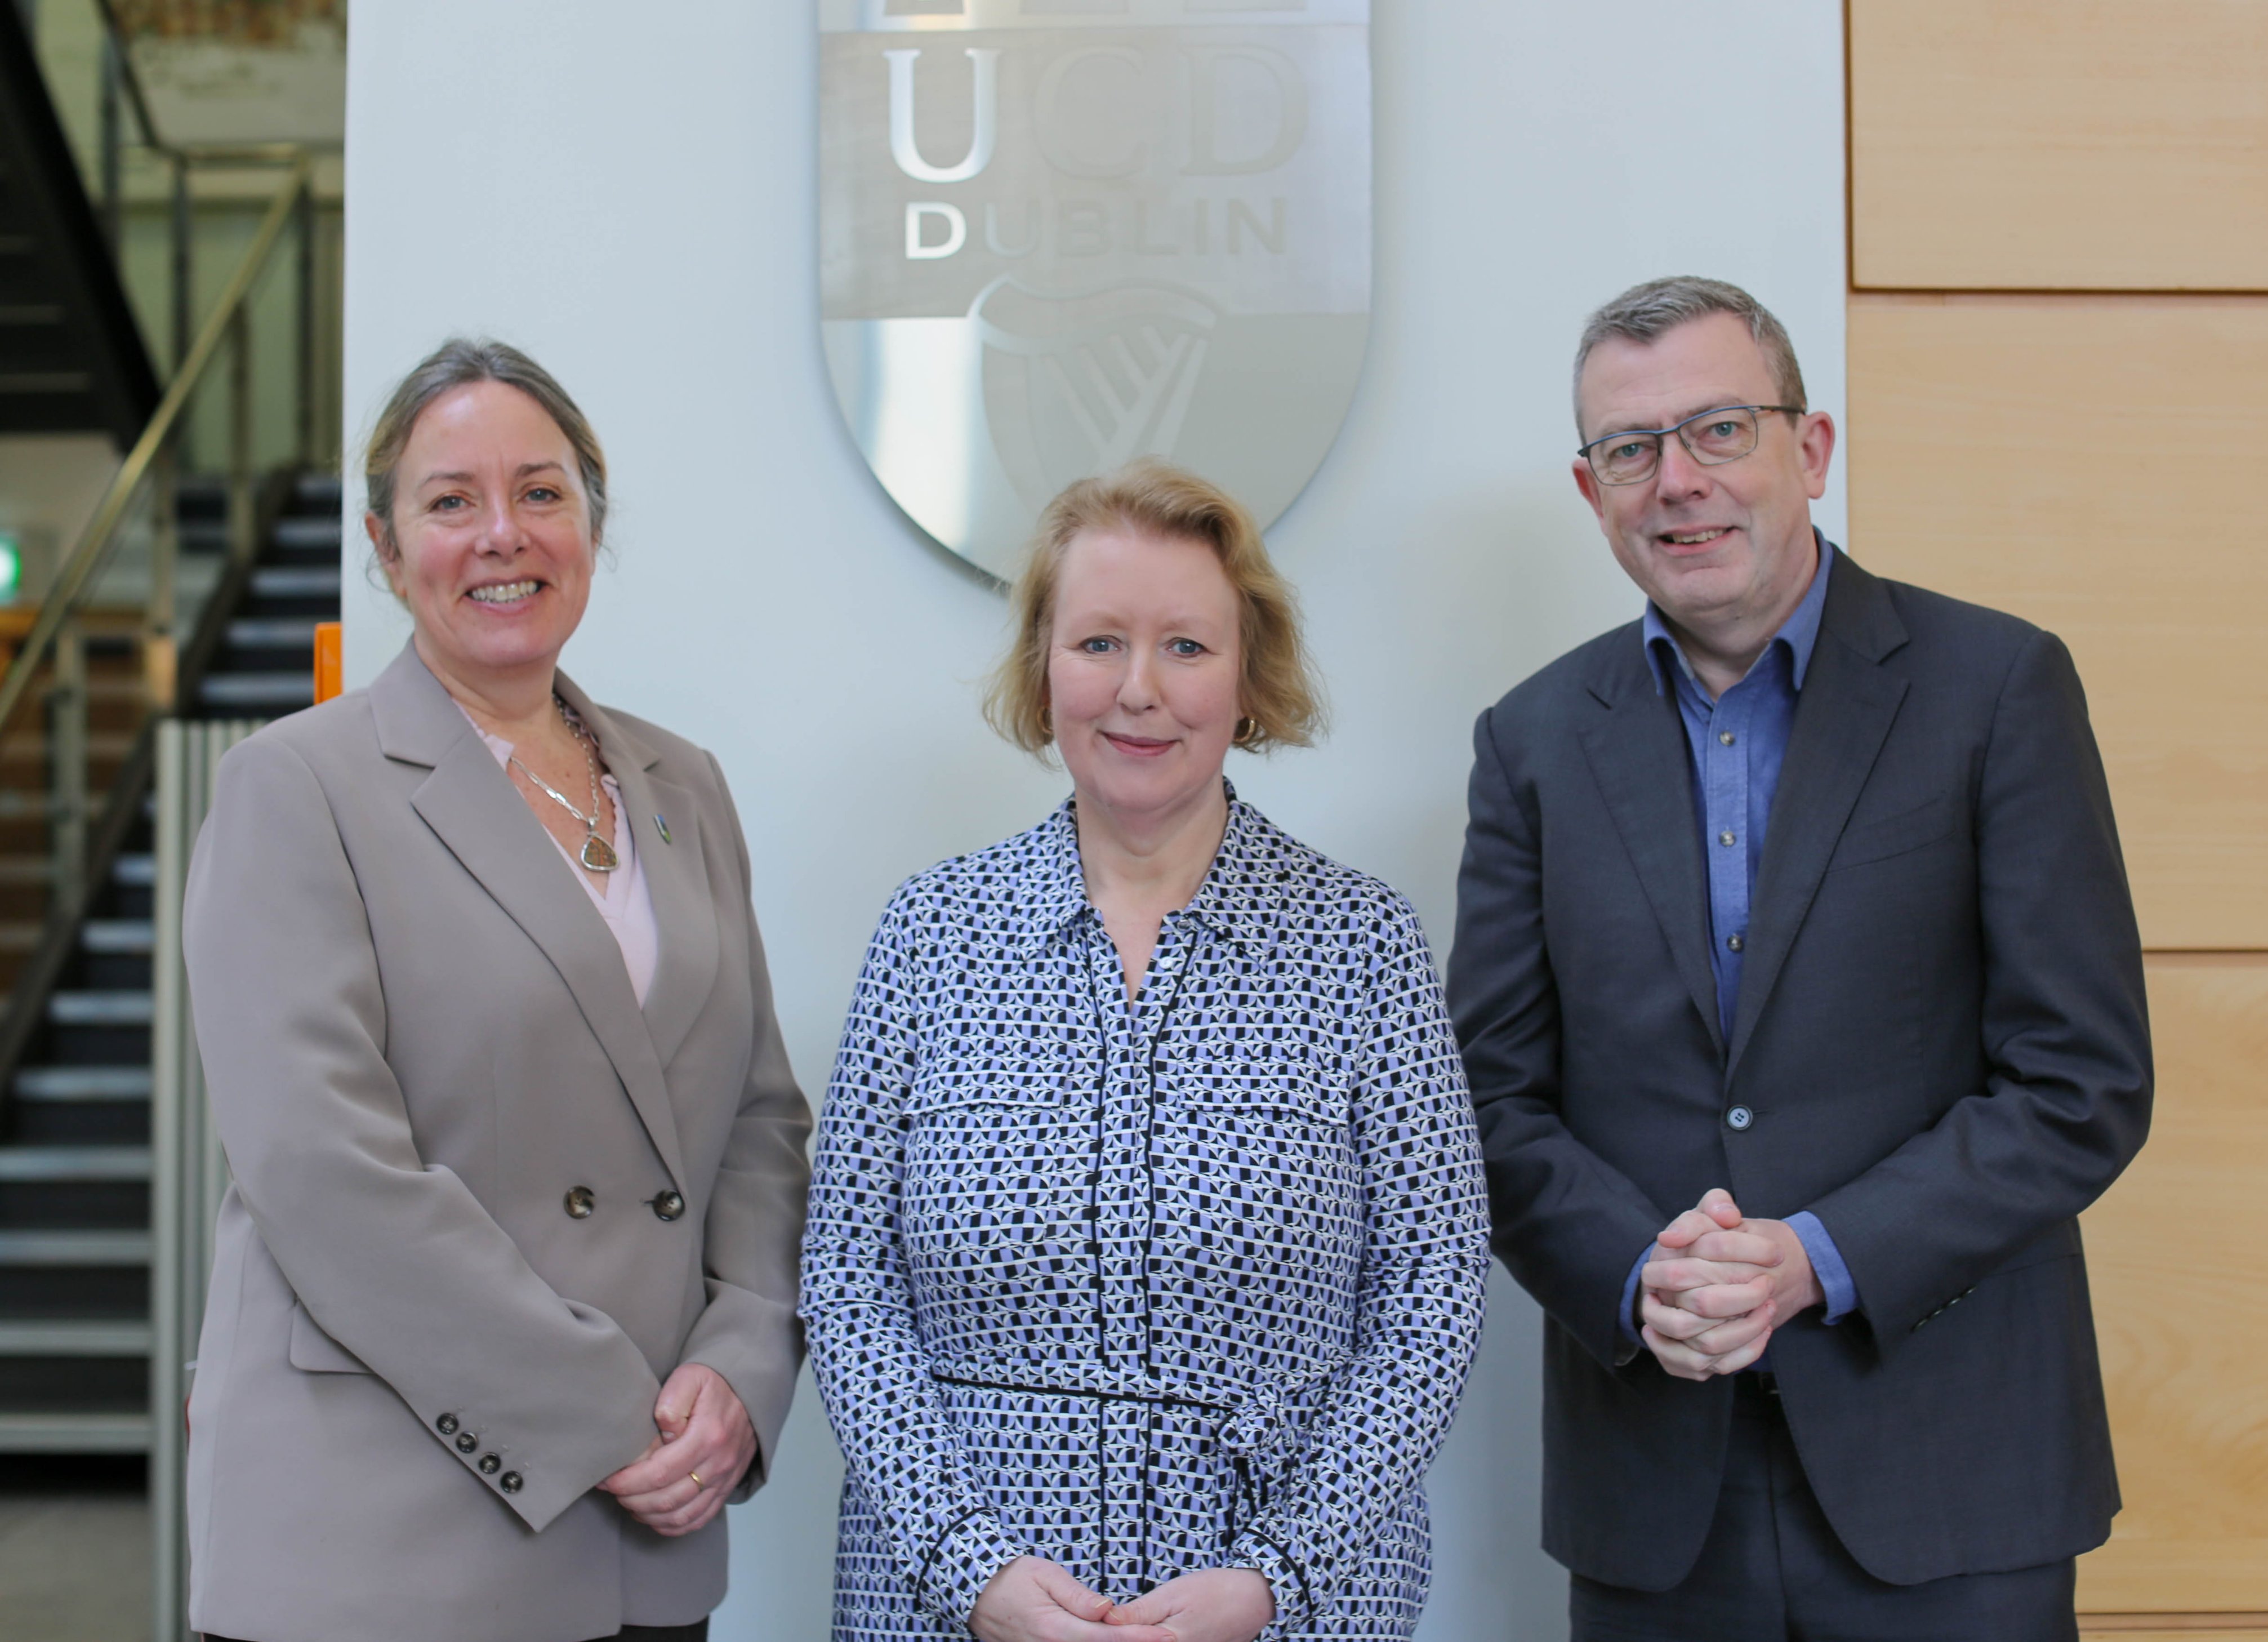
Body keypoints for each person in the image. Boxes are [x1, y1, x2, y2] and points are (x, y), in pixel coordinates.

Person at [1449, 277, 2153, 1639]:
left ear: (1809, 448)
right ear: (1589, 491)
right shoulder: (1530, 741)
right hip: (1656, 1492)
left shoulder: (1996, 689)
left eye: (1717, 429)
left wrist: (1812, 1258)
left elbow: (2080, 1081)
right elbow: (1485, 1101)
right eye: (1629, 449)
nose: (1676, 482)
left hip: (1953, 1479)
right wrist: (1639, 1274)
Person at [180, 339, 814, 1642]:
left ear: (591, 521)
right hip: (384, 1528)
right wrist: (602, 1411)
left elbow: (758, 1120)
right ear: (385, 541)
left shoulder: (682, 783)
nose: (500, 536)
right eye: (449, 500)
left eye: (539, 492)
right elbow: (324, 1172)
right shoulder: (294, 789)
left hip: (648, 1520)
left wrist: (742, 1366)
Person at [801, 460, 1489, 1642]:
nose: (1137, 692)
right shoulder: (929, 937)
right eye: (1097, 644)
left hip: (1285, 1603)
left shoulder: (1359, 942)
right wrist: (970, 1570)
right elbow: (845, 1284)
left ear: (1246, 672)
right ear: (1042, 667)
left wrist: (1277, 1571)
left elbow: (1434, 1286)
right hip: (954, 1604)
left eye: (1185, 647)